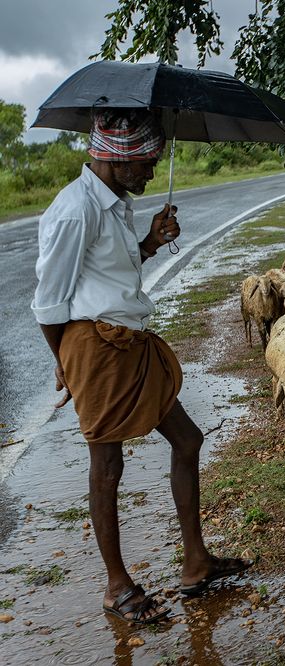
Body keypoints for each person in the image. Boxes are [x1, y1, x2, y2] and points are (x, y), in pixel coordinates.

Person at [30, 109, 252, 625]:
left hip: (130, 342)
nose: (152, 172)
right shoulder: (73, 210)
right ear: (117, 157)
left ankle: (196, 563)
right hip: (94, 346)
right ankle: (117, 586)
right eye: (147, 163)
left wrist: (150, 243)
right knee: (108, 467)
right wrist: (64, 361)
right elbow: (49, 301)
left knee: (188, 440)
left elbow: (110, 271)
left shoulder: (114, 205)